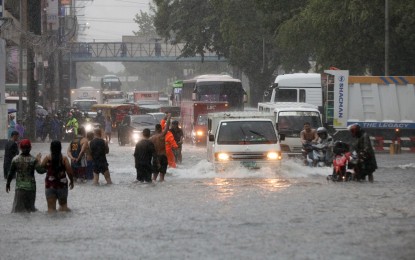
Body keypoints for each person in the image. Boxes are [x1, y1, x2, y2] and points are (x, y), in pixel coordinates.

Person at [5, 139, 46, 213]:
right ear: (30, 148)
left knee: (17, 211)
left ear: (20, 148)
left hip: (19, 188)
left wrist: (8, 184)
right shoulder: (33, 160)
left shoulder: (15, 159)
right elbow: (40, 171)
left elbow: (10, 173)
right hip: (31, 188)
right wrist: (40, 161)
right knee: (30, 210)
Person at [40, 140, 74, 213]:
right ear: (60, 148)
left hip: (50, 185)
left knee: (51, 209)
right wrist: (72, 181)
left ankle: (52, 224)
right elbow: (69, 171)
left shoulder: (47, 158)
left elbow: (41, 168)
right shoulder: (64, 159)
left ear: (51, 148)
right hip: (62, 185)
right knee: (63, 208)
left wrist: (39, 161)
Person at [150, 113, 171, 182]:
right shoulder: (162, 135)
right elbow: (167, 126)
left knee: (154, 177)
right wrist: (168, 118)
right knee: (162, 178)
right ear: (160, 129)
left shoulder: (152, 138)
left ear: (155, 129)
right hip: (163, 156)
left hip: (155, 158)